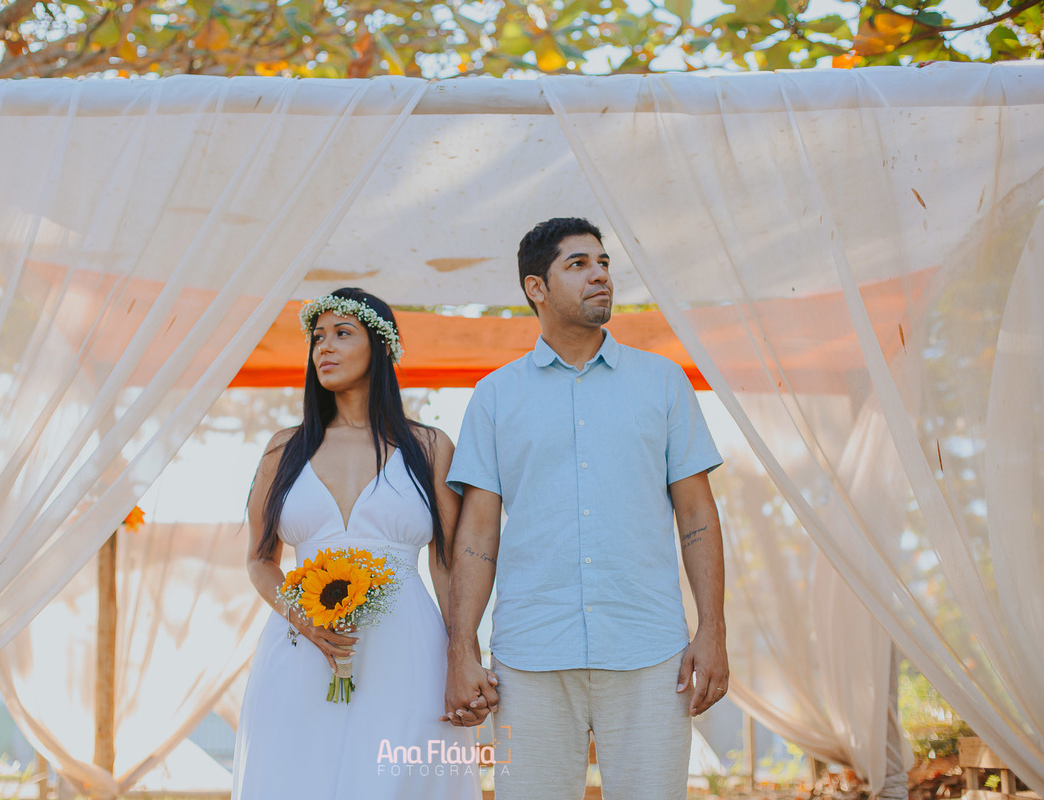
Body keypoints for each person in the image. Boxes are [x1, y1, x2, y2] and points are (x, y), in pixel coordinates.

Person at [443, 218, 729, 800]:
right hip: (530, 656)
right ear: (536, 288)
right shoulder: (495, 395)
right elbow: (477, 534)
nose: (600, 274)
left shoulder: (664, 382)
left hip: (651, 652)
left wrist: (713, 629)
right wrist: (461, 649)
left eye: (603, 263)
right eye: (578, 264)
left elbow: (697, 516)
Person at [232, 288, 482, 800]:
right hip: (302, 651)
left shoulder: (430, 447)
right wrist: (303, 618)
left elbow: (449, 565)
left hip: (408, 652)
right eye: (318, 337)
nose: (324, 347)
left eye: (342, 334)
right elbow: (259, 560)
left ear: (381, 347)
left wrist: (464, 656)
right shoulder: (284, 449)